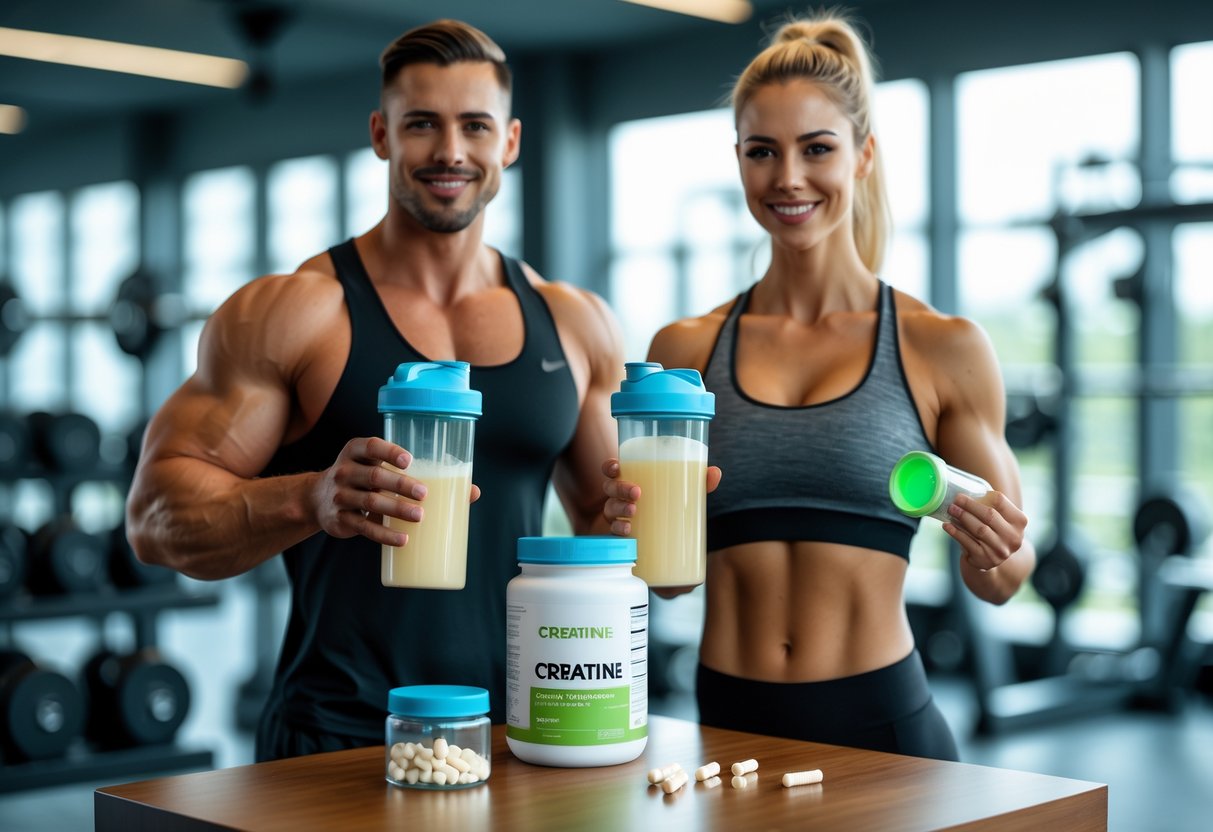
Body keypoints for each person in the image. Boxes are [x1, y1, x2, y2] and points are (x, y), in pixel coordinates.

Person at [125, 19, 626, 761]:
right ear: (381, 134)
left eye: (475, 126)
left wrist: (650, 528)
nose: (450, 151)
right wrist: (310, 498)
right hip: (338, 731)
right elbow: (153, 518)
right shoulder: (294, 312)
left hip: (516, 733)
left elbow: (612, 541)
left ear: (510, 142)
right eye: (422, 123)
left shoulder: (574, 323)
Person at [603, 11, 1035, 761]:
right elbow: (668, 584)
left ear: (862, 157)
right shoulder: (684, 349)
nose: (788, 177)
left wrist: (992, 548)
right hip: (726, 725)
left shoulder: (942, 347)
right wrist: (624, 534)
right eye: (762, 152)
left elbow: (1004, 580)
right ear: (737, 159)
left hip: (883, 727)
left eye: (817, 149)